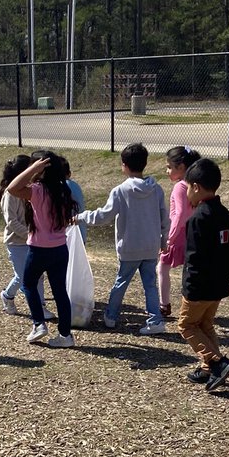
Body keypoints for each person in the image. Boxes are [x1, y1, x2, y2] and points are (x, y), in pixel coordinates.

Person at [76, 142, 169, 335]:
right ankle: (155, 320)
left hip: (129, 247)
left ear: (124, 165)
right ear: (145, 163)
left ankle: (111, 316)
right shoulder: (156, 189)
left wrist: (81, 217)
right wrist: (163, 241)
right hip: (150, 246)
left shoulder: (120, 191)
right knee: (150, 285)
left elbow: (103, 216)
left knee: (121, 282)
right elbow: (164, 219)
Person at [177, 158, 229, 391]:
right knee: (205, 325)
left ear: (196, 187)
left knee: (186, 325)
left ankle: (218, 362)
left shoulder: (197, 218)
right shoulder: (225, 215)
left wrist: (188, 286)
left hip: (199, 287)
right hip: (218, 285)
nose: (187, 192)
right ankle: (208, 368)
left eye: (187, 187)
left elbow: (194, 258)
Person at [6, 150, 76, 348]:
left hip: (39, 249)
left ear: (41, 169)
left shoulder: (37, 190)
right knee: (60, 292)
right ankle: (65, 335)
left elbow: (12, 188)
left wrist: (32, 170)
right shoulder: (63, 190)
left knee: (28, 284)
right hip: (60, 248)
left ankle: (39, 324)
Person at [0, 155, 48, 318]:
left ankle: (40, 306)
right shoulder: (10, 194)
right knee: (23, 276)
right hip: (16, 243)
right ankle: (7, 296)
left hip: (32, 240)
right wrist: (30, 234)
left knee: (38, 275)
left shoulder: (30, 190)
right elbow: (12, 222)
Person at [158, 145, 201, 318]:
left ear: (181, 167)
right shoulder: (195, 186)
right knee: (191, 271)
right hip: (193, 235)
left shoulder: (180, 187)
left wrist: (169, 237)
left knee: (162, 267)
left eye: (169, 167)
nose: (167, 171)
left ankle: (164, 304)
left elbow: (180, 215)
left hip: (178, 236)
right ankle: (196, 304)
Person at [61, 157, 88, 245]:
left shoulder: (63, 186)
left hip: (70, 234)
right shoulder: (75, 185)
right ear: (69, 173)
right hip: (80, 232)